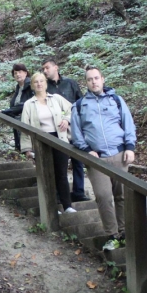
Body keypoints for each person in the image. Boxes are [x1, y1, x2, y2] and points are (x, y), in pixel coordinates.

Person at [70, 67, 137, 251]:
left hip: (119, 154)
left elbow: (128, 123)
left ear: (102, 78)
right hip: (96, 158)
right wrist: (86, 150)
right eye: (90, 79)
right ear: (86, 82)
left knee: (121, 195)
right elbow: (76, 134)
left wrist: (130, 147)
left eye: (96, 78)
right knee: (103, 196)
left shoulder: (116, 100)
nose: (94, 82)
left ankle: (124, 232)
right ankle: (113, 234)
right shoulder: (79, 105)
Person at [21, 72, 76, 213]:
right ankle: (53, 206)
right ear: (32, 86)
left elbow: (73, 108)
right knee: (47, 174)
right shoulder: (29, 104)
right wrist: (27, 148)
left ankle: (67, 205)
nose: (39, 84)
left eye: (41, 81)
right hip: (41, 142)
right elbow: (25, 128)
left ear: (46, 83)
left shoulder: (56, 98)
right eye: (36, 82)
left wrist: (66, 119)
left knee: (61, 174)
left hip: (59, 139)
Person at [42, 59, 88, 202]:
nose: (45, 71)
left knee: (77, 160)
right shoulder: (44, 87)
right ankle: (58, 193)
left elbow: (80, 103)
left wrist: (71, 119)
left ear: (56, 67)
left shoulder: (70, 83)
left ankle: (79, 191)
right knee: (58, 163)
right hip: (55, 131)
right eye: (43, 69)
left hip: (73, 127)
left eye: (47, 67)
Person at [0, 63, 33, 151]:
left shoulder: (31, 85)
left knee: (29, 147)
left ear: (25, 73)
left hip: (28, 120)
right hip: (18, 120)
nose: (18, 74)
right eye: (15, 73)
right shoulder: (19, 87)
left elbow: (25, 104)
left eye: (20, 72)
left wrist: (6, 111)